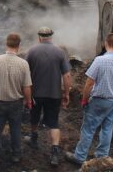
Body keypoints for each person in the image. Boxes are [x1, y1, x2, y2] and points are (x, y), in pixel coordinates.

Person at [65, 33, 113, 166]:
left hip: (98, 101)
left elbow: (89, 83)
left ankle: (79, 157)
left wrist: (84, 99)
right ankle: (102, 157)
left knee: (88, 129)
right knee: (107, 128)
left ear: (105, 44)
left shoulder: (99, 60)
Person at [26, 26, 71, 166]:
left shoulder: (31, 51)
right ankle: (55, 152)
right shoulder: (60, 52)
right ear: (51, 37)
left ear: (39, 37)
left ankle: (33, 138)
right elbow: (67, 75)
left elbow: (25, 73)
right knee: (53, 122)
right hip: (54, 94)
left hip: (35, 94)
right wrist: (66, 93)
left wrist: (25, 94)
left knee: (34, 116)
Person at [0, 33, 33, 165]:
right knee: (16, 129)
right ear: (19, 45)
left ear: (6, 44)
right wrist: (29, 101)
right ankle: (16, 155)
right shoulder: (23, 64)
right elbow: (26, 87)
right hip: (16, 104)